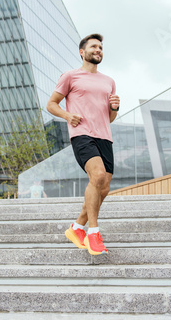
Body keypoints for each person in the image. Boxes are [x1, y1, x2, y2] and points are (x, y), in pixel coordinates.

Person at [46, 33, 120, 255]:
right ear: (82, 52)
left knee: (104, 188)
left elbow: (110, 118)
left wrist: (114, 108)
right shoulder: (70, 76)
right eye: (94, 46)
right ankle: (93, 233)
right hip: (82, 134)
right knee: (96, 177)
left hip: (105, 136)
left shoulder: (109, 81)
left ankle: (77, 227)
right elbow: (51, 104)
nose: (98, 50)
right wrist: (68, 116)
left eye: (100, 47)